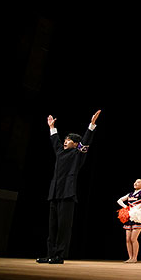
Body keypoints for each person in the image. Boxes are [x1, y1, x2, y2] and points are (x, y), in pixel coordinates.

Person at [37, 110, 101, 265]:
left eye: (69, 140)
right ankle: (50, 254)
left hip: (67, 193)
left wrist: (91, 125)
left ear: (75, 144)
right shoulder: (60, 152)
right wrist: (52, 127)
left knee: (63, 227)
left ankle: (59, 255)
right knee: (52, 227)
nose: (65, 141)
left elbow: (85, 142)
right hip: (54, 193)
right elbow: (54, 141)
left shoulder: (78, 154)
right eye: (65, 139)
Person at [117, 179, 141, 263]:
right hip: (130, 216)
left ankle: (135, 258)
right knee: (128, 239)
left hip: (138, 217)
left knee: (133, 238)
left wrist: (138, 208)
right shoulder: (130, 194)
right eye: (135, 181)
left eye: (138, 182)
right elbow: (119, 200)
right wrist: (126, 207)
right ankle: (130, 257)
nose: (135, 183)